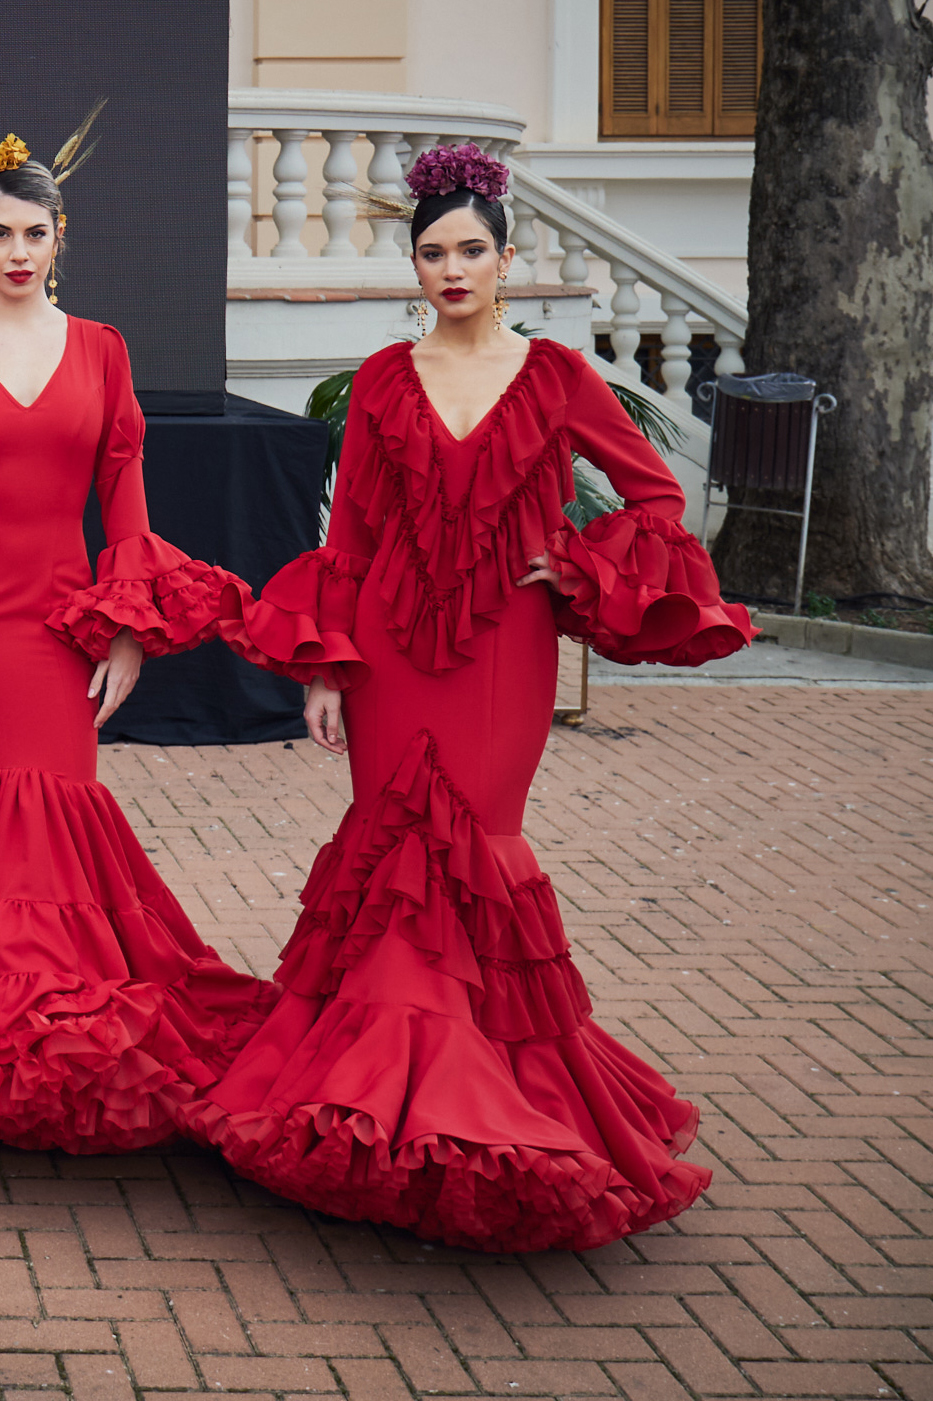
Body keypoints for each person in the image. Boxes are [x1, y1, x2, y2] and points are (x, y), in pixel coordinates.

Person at [182, 144, 755, 1251]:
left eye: (470, 251)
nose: (452, 270)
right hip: (390, 649)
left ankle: (474, 1104)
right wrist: (326, 667)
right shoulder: (387, 378)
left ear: (507, 257)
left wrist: (576, 566)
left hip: (506, 651)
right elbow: (345, 540)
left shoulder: (559, 379)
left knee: (479, 846)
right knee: (390, 853)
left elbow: (657, 492)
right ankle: (383, 1109)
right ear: (416, 264)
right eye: (434, 253)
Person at [0, 129, 277, 1153]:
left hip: (55, 630)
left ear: (62, 237)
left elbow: (125, 502)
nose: (16, 253)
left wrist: (125, 635)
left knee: (46, 831)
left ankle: (41, 1061)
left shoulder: (104, 349)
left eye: (34, 232)